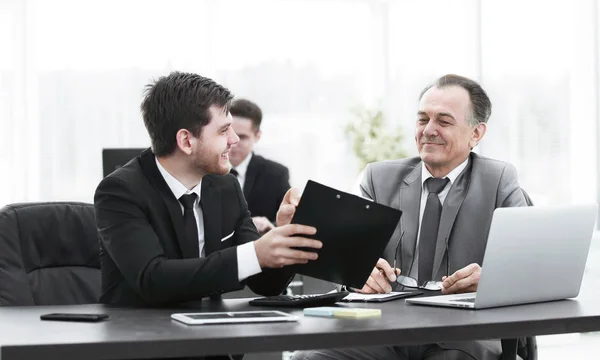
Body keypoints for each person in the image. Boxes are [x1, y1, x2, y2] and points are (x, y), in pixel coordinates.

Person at [291, 74, 527, 360]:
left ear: (476, 134)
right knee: (309, 357)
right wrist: (357, 275)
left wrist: (491, 281)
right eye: (422, 119)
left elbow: (524, 269)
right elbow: (347, 262)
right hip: (382, 327)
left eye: (444, 121)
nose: (429, 130)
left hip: (462, 333)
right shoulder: (378, 178)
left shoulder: (499, 179)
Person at [94, 71, 322, 309]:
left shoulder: (226, 186)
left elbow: (265, 284)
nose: (234, 140)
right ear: (186, 141)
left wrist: (285, 237)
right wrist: (254, 254)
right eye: (224, 131)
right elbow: (153, 279)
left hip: (211, 337)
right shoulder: (119, 192)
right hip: (144, 338)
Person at [229, 99, 291, 234]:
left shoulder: (276, 174)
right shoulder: (204, 171)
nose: (233, 143)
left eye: (242, 137)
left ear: (257, 136)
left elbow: (288, 221)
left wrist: (270, 226)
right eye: (229, 134)